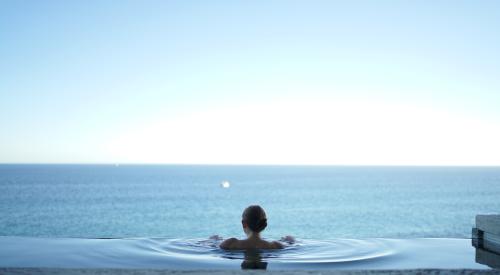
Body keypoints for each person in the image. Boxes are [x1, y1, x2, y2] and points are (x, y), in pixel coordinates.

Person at [218, 205, 294, 250]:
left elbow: (216, 246)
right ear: (264, 225)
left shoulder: (231, 243)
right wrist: (290, 240)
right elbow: (289, 245)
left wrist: (214, 240)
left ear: (244, 224)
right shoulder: (275, 246)